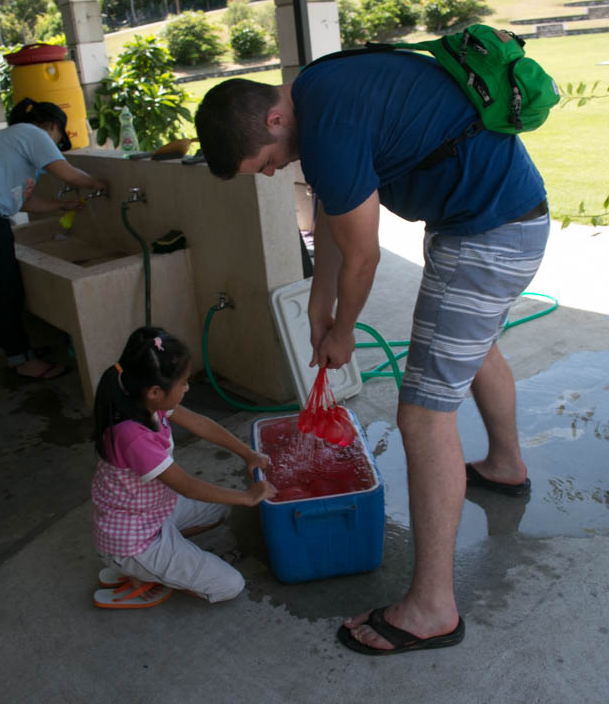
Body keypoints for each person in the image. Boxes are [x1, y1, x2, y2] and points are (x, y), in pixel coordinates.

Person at [194, 48, 550, 655]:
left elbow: (364, 256)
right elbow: (337, 207)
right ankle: (504, 467)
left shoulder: (325, 127)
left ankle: (432, 608)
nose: (275, 172)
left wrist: (343, 329)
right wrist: (319, 301)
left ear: (275, 123)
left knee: (422, 416)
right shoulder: (319, 89)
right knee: (477, 345)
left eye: (269, 163)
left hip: (488, 234)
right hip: (499, 218)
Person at [91, 325, 276, 609]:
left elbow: (200, 424)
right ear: (155, 391)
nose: (188, 388)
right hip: (134, 538)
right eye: (184, 383)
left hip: (151, 513)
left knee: (220, 508)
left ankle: (154, 563)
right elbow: (188, 486)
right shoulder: (133, 436)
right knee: (230, 585)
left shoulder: (142, 399)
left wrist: (247, 454)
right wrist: (248, 497)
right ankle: (140, 569)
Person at [0, 98, 107, 380]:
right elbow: (68, 174)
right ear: (53, 126)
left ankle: (20, 352)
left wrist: (62, 206)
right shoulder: (33, 134)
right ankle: (21, 361)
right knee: (2, 293)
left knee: (1, 291)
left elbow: (19, 203)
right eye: (57, 137)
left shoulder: (12, 143)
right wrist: (96, 183)